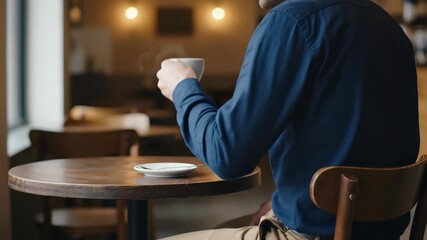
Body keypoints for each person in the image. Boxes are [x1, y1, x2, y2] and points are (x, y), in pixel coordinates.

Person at [156, 0, 420, 239]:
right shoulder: (388, 26)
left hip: (313, 235)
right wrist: (289, 202)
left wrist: (183, 88)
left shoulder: (290, 20)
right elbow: (358, 147)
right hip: (384, 235)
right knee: (228, 225)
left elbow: (225, 153)